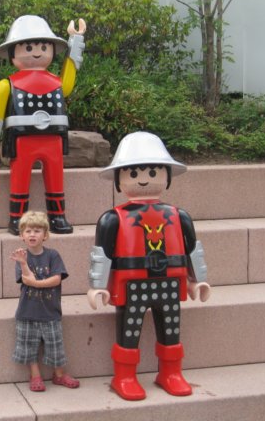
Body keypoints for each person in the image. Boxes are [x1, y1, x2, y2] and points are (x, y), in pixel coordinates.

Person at [87, 131, 211, 401]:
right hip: (132, 285)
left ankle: (171, 372)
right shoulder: (112, 219)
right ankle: (124, 376)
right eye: (133, 173)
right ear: (119, 180)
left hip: (170, 282)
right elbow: (101, 254)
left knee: (171, 330)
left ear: (166, 176)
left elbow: (193, 249)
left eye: (153, 172)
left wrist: (197, 279)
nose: (143, 178)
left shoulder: (179, 216)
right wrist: (97, 286)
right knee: (128, 331)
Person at [0, 15, 85, 235]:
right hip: (22, 140)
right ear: (13, 53)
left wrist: (76, 40)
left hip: (53, 139)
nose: (37, 51)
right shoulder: (5, 85)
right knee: (19, 178)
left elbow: (70, 76)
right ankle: (17, 218)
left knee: (56, 177)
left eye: (43, 47)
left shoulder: (57, 82)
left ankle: (58, 216)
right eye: (28, 47)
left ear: (52, 50)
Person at [11, 211, 80, 392]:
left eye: (37, 230)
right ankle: (35, 375)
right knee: (29, 347)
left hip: (50, 312)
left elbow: (56, 279)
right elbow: (26, 279)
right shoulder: (21, 257)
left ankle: (59, 374)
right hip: (27, 312)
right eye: (28, 231)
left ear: (45, 235)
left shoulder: (53, 255)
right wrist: (23, 263)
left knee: (56, 346)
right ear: (22, 235)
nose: (32, 234)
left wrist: (36, 283)